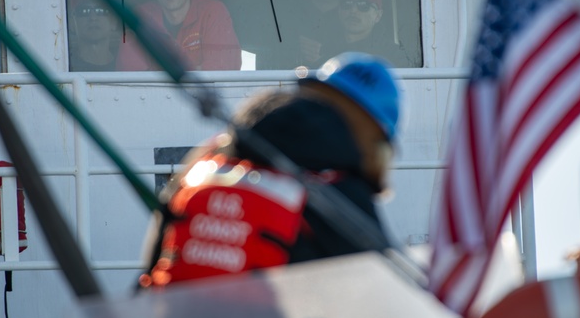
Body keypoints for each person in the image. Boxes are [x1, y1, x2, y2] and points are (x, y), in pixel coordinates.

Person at [138, 52, 401, 288]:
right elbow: (382, 296)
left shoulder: (211, 159)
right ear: (374, 140)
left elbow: (154, 258)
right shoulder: (341, 193)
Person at [319, 0, 411, 66]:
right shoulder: (323, 50)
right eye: (347, 3)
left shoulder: (393, 56)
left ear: (378, 15)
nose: (353, 10)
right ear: (338, 10)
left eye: (363, 5)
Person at [68, 0, 118, 72]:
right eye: (84, 11)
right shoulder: (65, 66)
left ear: (113, 22)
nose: (93, 18)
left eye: (101, 10)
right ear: (72, 24)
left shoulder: (126, 65)